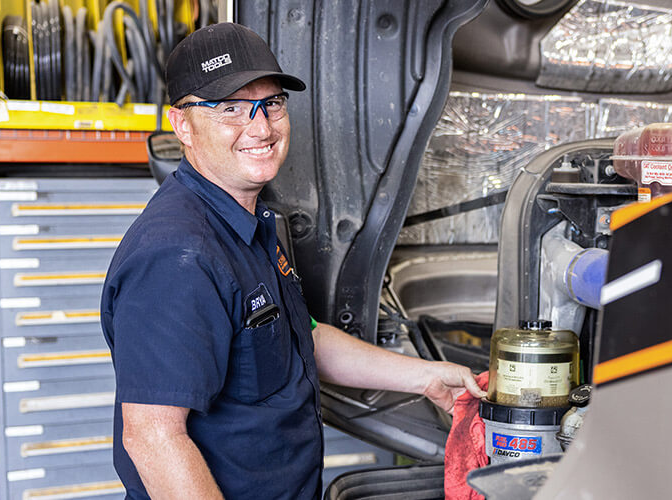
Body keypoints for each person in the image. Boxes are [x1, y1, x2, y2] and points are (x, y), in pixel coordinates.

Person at [101, 22, 485, 499]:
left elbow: (301, 336)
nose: (260, 128)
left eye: (272, 104)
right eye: (231, 109)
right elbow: (154, 437)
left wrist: (427, 376)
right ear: (183, 125)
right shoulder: (178, 259)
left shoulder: (252, 221)